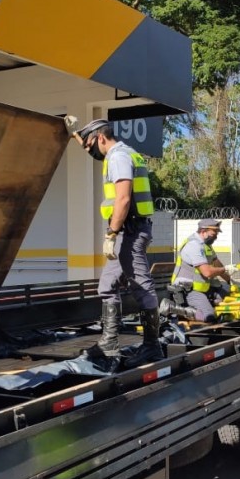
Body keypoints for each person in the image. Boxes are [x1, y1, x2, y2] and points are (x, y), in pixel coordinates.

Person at [71, 119, 162, 373]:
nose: (90, 150)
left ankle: (152, 346)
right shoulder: (124, 153)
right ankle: (109, 343)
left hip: (129, 230)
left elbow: (122, 198)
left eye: (91, 144)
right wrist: (77, 137)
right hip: (129, 230)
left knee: (141, 285)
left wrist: (111, 232)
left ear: (101, 138)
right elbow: (99, 156)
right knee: (108, 285)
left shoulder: (119, 157)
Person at [160, 219, 238, 322]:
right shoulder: (194, 245)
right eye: (214, 233)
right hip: (188, 289)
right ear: (203, 231)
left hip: (203, 287)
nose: (216, 236)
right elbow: (207, 272)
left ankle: (214, 302)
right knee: (209, 316)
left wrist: (230, 280)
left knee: (230, 290)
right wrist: (225, 269)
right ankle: (172, 308)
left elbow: (216, 263)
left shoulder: (206, 245)